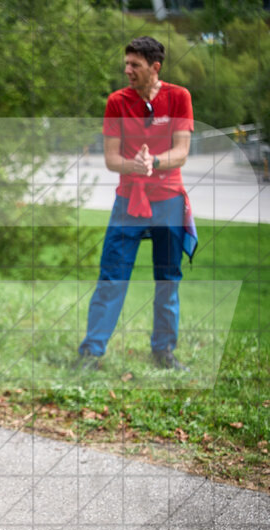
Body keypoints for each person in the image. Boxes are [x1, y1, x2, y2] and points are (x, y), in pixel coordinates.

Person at [77, 36, 196, 371]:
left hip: (168, 199)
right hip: (128, 200)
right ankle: (91, 353)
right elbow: (113, 159)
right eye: (126, 63)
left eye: (135, 65)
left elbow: (182, 151)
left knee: (167, 278)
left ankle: (164, 351)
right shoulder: (117, 101)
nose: (127, 70)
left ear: (154, 67)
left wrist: (153, 162)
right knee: (111, 277)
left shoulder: (179, 97)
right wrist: (136, 166)